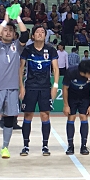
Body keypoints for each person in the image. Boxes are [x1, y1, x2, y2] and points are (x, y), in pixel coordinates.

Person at [0, 12, 29, 159]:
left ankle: (5, 147)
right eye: (6, 30)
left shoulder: (17, 46)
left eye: (11, 31)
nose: (8, 32)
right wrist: (4, 22)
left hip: (12, 89)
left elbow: (25, 35)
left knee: (10, 119)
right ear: (1, 32)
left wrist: (17, 18)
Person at [19, 25, 59, 156]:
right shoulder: (27, 50)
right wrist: (21, 86)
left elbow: (56, 69)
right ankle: (25, 146)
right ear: (33, 36)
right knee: (28, 115)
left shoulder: (51, 50)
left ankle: (45, 146)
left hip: (45, 87)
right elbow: (20, 69)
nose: (40, 34)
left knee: (45, 115)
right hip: (30, 86)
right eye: (37, 32)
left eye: (43, 32)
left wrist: (55, 86)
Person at [63, 59, 90, 156]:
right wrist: (66, 105)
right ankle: (70, 146)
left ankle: (84, 146)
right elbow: (65, 88)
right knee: (71, 117)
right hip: (72, 96)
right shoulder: (71, 72)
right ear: (85, 72)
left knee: (84, 117)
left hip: (85, 96)